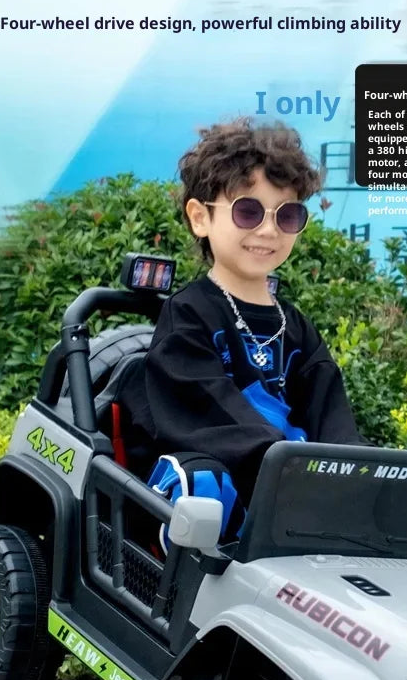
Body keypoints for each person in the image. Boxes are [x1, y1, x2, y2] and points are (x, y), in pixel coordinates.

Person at [120, 118, 364, 540]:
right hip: (225, 487)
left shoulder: (296, 328)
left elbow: (332, 418)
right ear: (200, 217)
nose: (268, 230)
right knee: (204, 482)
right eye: (248, 211)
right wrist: (287, 465)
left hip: (289, 481)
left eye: (287, 215)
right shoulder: (189, 314)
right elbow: (204, 410)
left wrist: (355, 470)